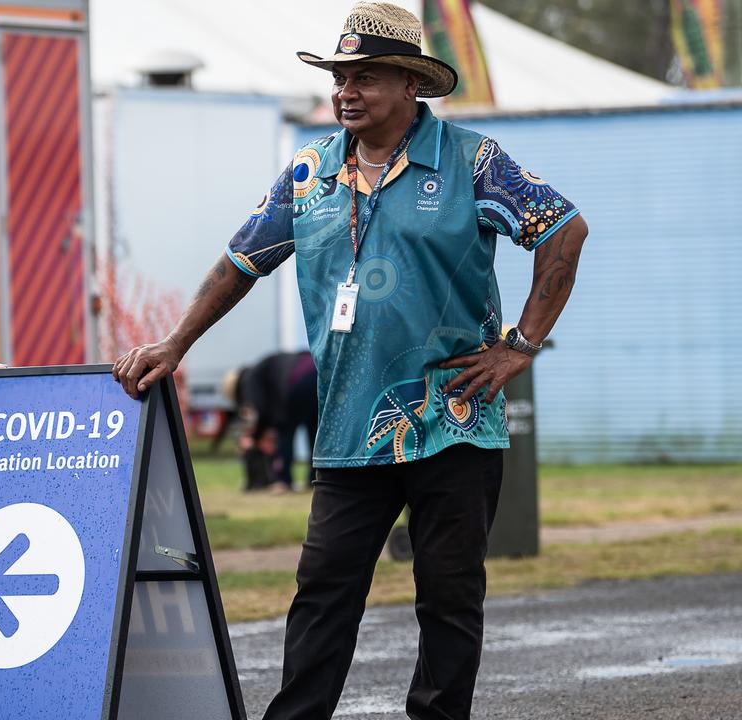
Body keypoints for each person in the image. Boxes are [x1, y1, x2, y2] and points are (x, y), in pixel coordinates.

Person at [114, 3, 588, 719]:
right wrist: (175, 343)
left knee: (450, 599)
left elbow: (562, 229)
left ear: (410, 85)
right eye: (340, 77)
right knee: (322, 598)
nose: (346, 91)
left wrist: (519, 345)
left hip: (454, 420)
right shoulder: (309, 174)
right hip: (347, 428)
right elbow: (241, 261)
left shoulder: (472, 161)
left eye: (365, 77)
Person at [224, 351, 318, 492]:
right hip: (317, 372)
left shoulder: (250, 379)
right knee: (315, 432)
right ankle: (314, 479)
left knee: (284, 429)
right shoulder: (264, 369)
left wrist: (254, 437)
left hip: (296, 382)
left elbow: (260, 410)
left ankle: (283, 480)